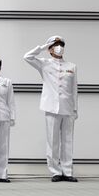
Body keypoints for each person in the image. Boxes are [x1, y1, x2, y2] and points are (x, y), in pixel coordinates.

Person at [24, 35, 78, 182]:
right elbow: (27, 57)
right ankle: (55, 171)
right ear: (50, 49)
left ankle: (67, 171)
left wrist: (75, 109)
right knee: (52, 141)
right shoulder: (44, 64)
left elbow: (74, 89)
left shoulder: (71, 66)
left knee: (68, 141)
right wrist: (42, 47)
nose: (59, 47)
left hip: (67, 107)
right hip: (51, 107)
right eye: (55, 45)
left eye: (61, 45)